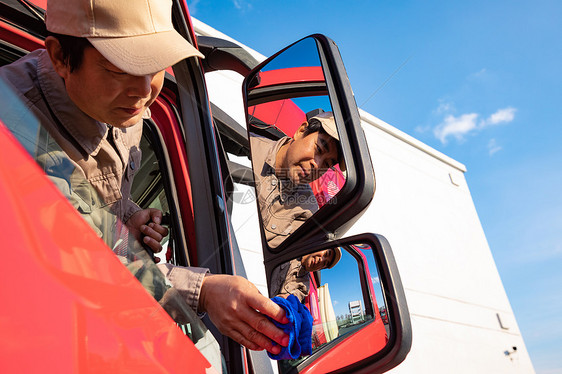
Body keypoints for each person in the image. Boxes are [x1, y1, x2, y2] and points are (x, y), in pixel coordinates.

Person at [0, 0, 289, 356]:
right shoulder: (14, 125)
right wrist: (203, 291)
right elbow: (75, 252)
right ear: (60, 56)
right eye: (119, 68)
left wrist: (125, 219)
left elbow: (89, 207)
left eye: (154, 65)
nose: (144, 92)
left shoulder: (126, 109)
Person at [250, 111, 344, 248]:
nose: (317, 164)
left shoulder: (307, 208)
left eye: (327, 164)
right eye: (318, 149)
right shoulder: (248, 146)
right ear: (301, 131)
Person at [269, 248, 342, 302]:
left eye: (325, 263)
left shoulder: (303, 287)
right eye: (326, 254)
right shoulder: (292, 246)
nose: (321, 260)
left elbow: (287, 300)